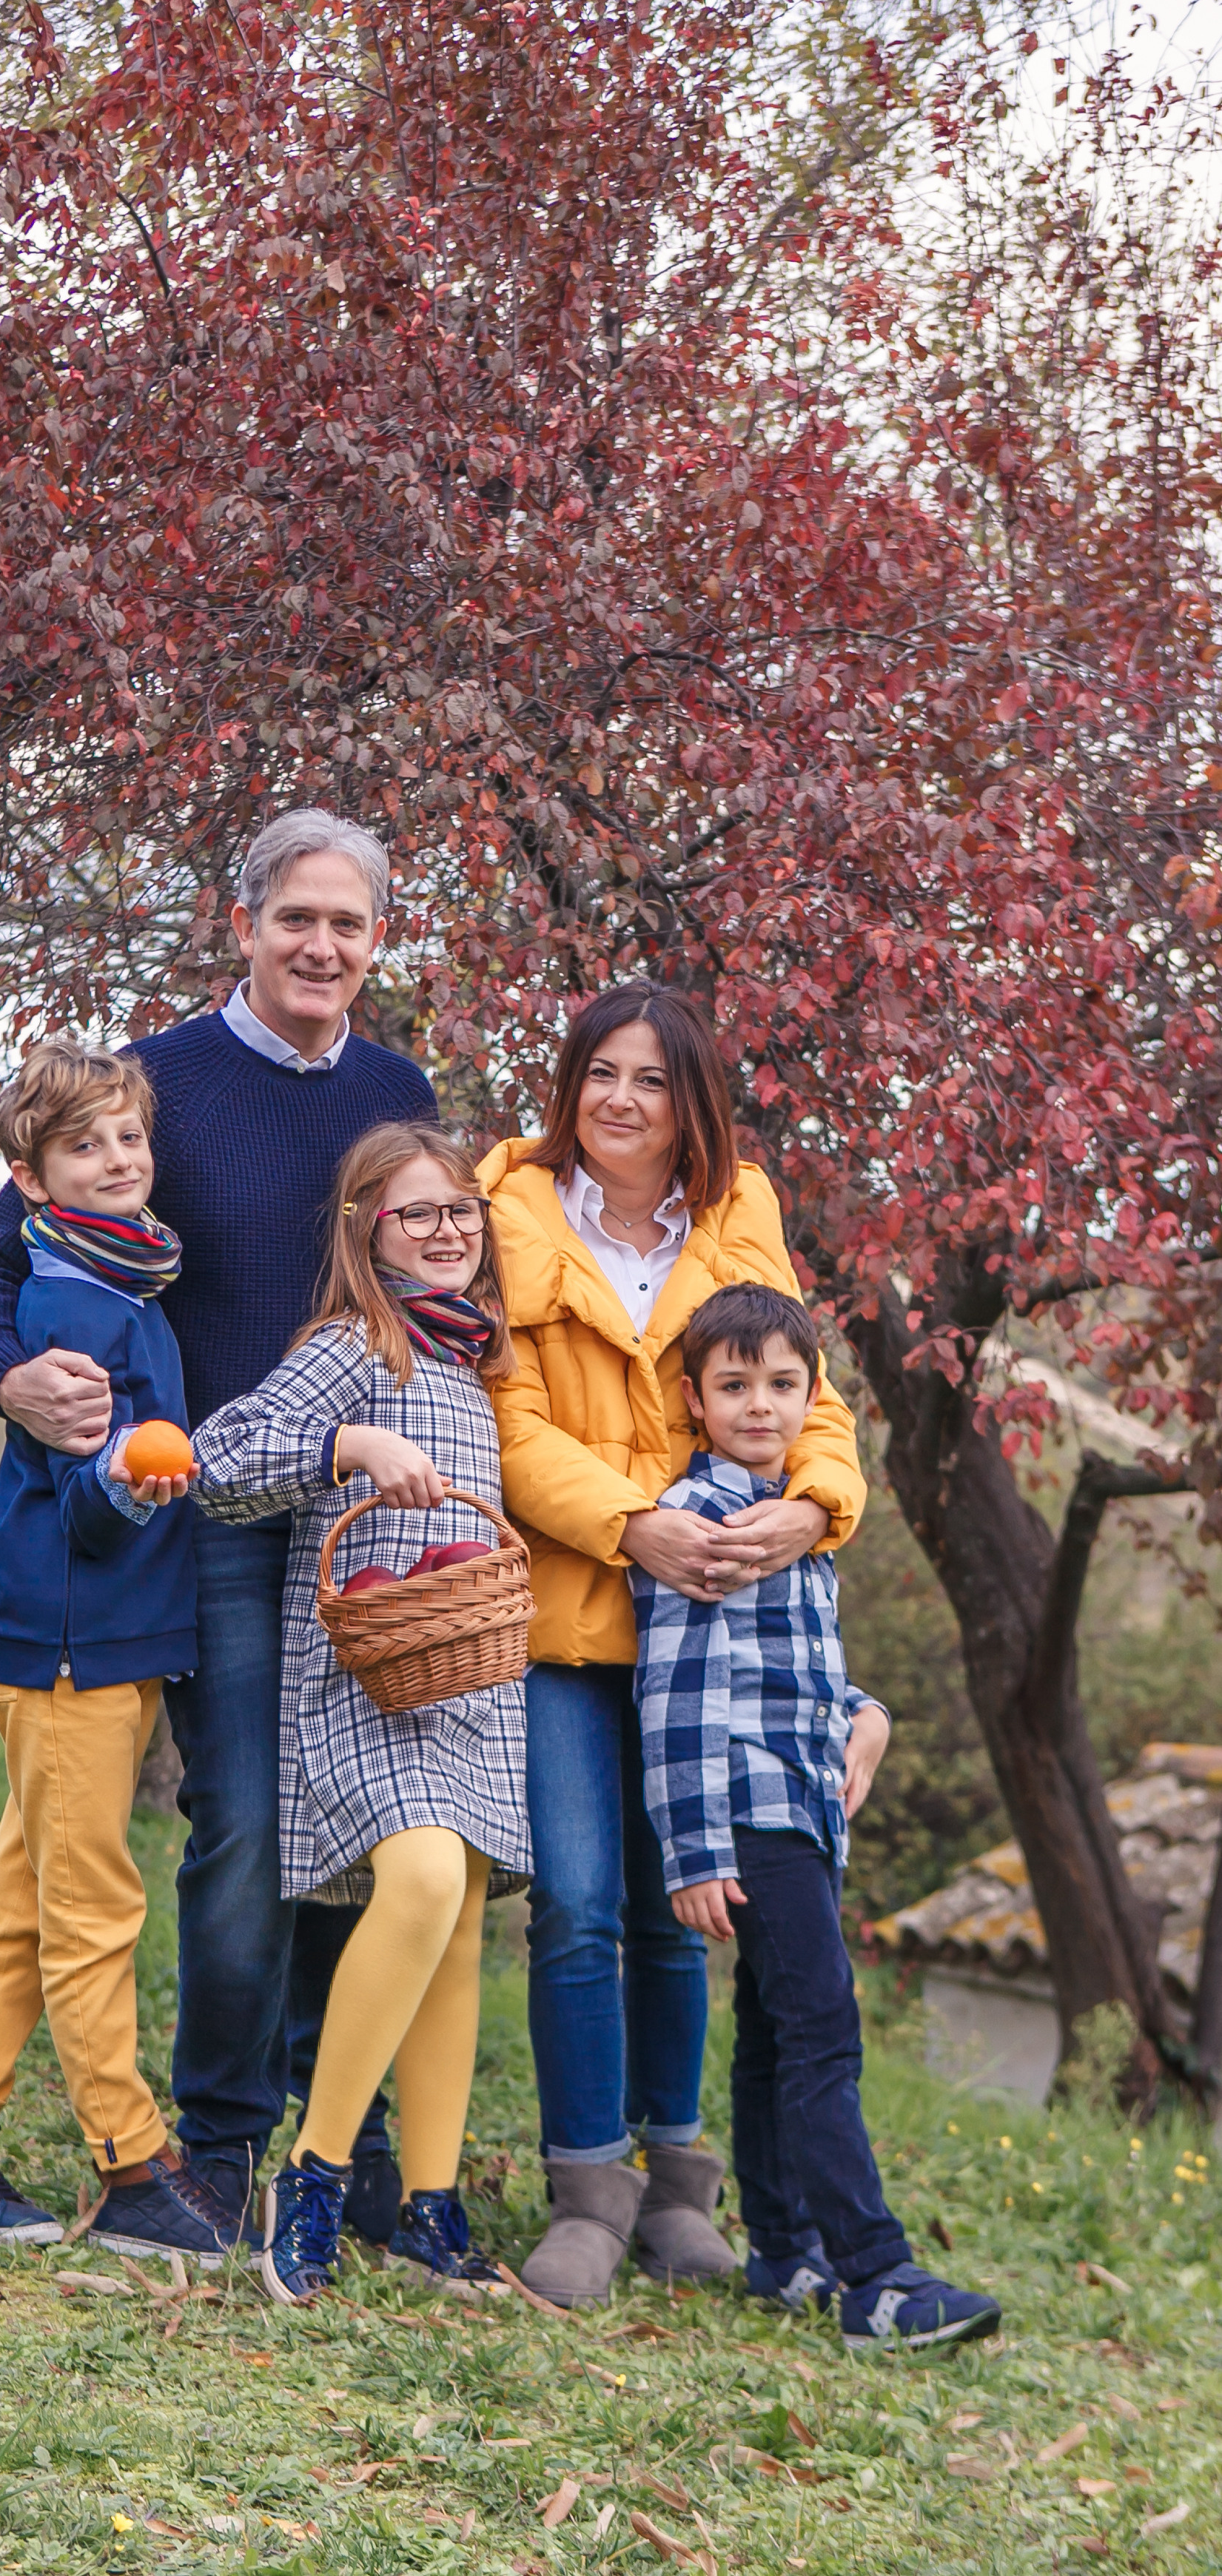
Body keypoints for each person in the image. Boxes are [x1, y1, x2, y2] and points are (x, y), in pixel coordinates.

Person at [0, 813, 437, 2247]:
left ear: (375, 941)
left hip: (350, 1513)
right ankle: (213, 2141)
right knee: (238, 1820)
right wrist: (13, 1378)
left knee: (359, 1812)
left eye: (347, 924)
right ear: (242, 923)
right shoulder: (146, 1084)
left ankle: (348, 2135)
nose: (321, 946)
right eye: (297, 918)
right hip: (200, 1513)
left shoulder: (396, 1090)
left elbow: (431, 1268)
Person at [477, 983, 870, 2307]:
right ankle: (587, 2195)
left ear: (689, 1099)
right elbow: (510, 1419)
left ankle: (677, 2189)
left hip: (713, 1626)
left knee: (673, 1917)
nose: (620, 1101)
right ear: (569, 1084)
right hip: (575, 1609)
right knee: (579, 1904)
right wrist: (633, 1525)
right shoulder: (512, 1208)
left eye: (650, 1078)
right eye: (600, 1073)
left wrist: (813, 1511)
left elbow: (805, 1389)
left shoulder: (738, 1214)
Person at [192, 1126, 530, 2302]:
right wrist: (346, 1442)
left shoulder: (481, 1362)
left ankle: (432, 2207)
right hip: (358, 1685)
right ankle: (317, 2168)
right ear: (363, 1232)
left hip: (470, 1680)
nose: (447, 1234)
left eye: (462, 1213)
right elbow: (218, 1459)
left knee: (461, 1915)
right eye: (417, 1215)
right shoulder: (350, 1347)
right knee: (425, 1879)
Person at [0, 1039, 237, 2261]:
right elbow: (88, 1497)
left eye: (128, 1138)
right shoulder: (62, 1302)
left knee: (23, 1896)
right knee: (92, 1901)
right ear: (33, 1178)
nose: (118, 1161)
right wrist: (146, 1478)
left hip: (103, 1637)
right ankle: (131, 2159)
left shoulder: (125, 1281)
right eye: (84, 1145)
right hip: (68, 1644)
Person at [634, 1283, 1001, 2351]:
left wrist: (867, 1713)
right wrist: (696, 1849)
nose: (760, 1405)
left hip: (801, 1804)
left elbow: (791, 1677)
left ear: (811, 1396)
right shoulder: (696, 1522)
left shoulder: (802, 1526)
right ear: (694, 1402)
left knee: (769, 2033)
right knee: (822, 2029)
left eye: (782, 1385)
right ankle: (873, 2273)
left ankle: (782, 2252)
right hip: (746, 1808)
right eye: (733, 1386)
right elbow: (678, 1701)